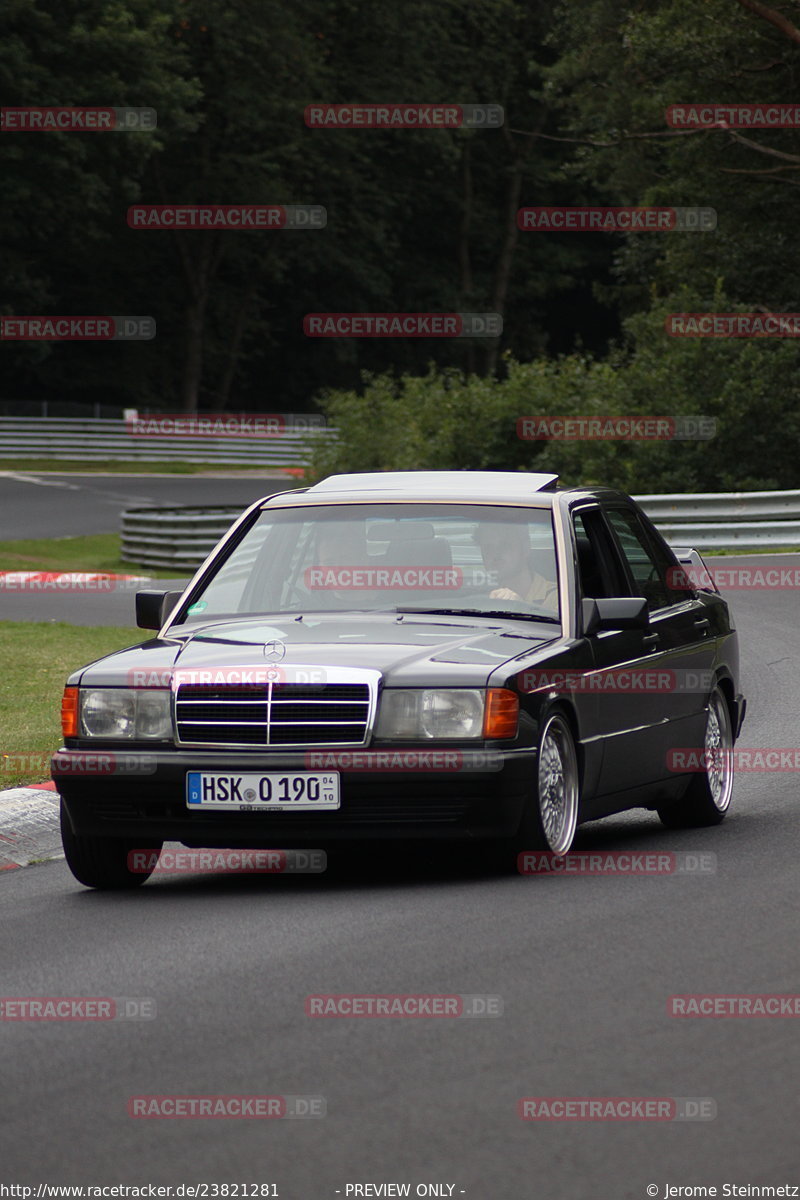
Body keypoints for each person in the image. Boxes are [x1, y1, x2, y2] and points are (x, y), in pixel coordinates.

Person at [474, 521, 559, 615]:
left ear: (525, 549)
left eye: (504, 545)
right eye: (488, 548)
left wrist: (521, 608)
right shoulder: (480, 599)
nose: (496, 553)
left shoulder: (559, 597)